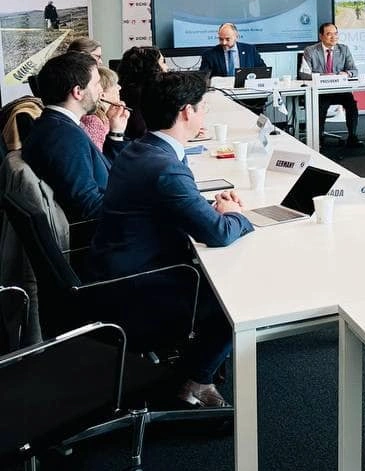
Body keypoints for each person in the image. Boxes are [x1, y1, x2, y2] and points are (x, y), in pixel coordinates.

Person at [87, 71, 253, 408]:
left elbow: (169, 206)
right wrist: (236, 215)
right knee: (235, 297)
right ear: (187, 112)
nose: (204, 114)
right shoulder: (165, 166)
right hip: (137, 286)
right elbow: (218, 233)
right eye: (203, 107)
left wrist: (210, 209)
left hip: (113, 271)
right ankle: (195, 381)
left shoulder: (140, 149)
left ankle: (194, 370)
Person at [23, 51, 130, 221]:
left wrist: (116, 133)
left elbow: (101, 171)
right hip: (106, 229)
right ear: (78, 92)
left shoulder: (58, 125)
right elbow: (88, 206)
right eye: (96, 84)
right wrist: (140, 206)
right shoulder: (63, 137)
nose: (101, 90)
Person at [299, 23, 363, 149]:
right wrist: (325, 77)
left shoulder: (343, 49)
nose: (333, 37)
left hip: (339, 90)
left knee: (351, 104)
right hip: (320, 91)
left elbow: (354, 70)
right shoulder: (310, 51)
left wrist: (347, 73)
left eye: (335, 33)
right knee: (320, 107)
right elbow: (303, 74)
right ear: (321, 36)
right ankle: (318, 138)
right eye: (329, 34)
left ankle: (353, 137)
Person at [117, 46, 167, 139]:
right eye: (163, 62)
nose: (167, 67)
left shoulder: (123, 91)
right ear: (152, 67)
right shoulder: (150, 96)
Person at [79, 65, 122, 151]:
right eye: (114, 84)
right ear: (102, 94)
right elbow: (97, 156)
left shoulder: (105, 117)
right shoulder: (93, 122)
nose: (119, 87)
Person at [198, 22, 264, 77]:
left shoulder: (250, 50)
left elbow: (263, 71)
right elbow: (202, 78)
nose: (224, 43)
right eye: (221, 39)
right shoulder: (209, 54)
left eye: (227, 39)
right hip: (221, 88)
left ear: (236, 37)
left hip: (245, 87)